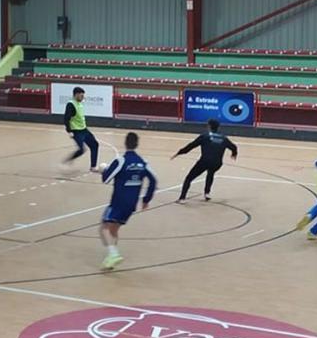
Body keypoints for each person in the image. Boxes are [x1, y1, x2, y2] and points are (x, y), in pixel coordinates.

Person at [98, 132, 157, 270]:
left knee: (104, 228)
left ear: (125, 143)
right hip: (132, 204)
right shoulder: (143, 163)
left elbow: (106, 179)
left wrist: (104, 170)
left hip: (118, 201)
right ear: (137, 144)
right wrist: (146, 199)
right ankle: (111, 258)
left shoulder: (121, 160)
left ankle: (113, 254)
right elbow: (153, 180)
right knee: (114, 228)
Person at [171, 118, 238, 202]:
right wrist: (234, 153)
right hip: (217, 163)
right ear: (218, 127)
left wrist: (179, 153)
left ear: (209, 126)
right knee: (211, 173)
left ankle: (182, 197)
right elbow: (234, 146)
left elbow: (191, 146)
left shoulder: (205, 136)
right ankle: (207, 193)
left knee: (189, 178)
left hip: (204, 162)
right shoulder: (223, 138)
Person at [63, 86, 100, 172]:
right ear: (76, 95)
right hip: (76, 131)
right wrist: (69, 131)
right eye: (81, 95)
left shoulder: (80, 103)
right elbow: (66, 118)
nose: (83, 97)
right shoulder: (71, 105)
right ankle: (68, 161)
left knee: (95, 144)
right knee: (81, 149)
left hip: (84, 130)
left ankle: (93, 166)